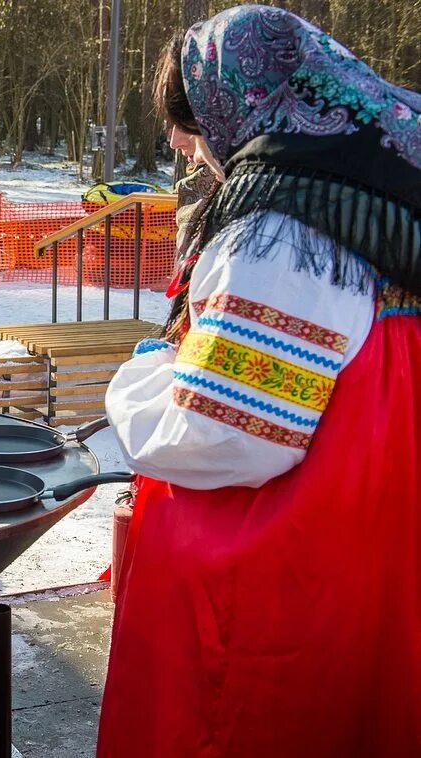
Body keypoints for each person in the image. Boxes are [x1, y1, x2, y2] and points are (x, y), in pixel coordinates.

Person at [98, 6, 421, 756]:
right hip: (378, 538)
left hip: (283, 568)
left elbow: (230, 434)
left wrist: (140, 381)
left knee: (237, 723)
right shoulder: (387, 184)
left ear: (235, 105)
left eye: (189, 122)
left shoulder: (283, 233)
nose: (182, 143)